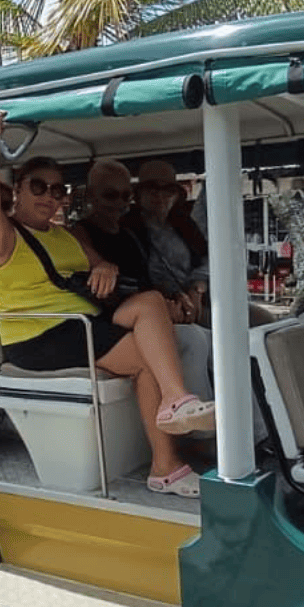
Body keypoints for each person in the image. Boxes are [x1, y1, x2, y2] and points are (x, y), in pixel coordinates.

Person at [0, 111, 215, 498]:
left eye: (58, 191)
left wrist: (104, 267)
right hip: (38, 335)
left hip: (81, 323)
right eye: (39, 187)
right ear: (18, 189)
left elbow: (99, 264)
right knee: (146, 358)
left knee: (151, 302)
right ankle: (166, 462)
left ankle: (174, 405)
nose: (49, 197)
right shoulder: (3, 236)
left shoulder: (64, 235)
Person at [73, 159, 217, 420]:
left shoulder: (129, 235)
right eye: (110, 195)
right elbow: (103, 288)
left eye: (125, 196)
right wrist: (162, 307)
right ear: (92, 196)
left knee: (220, 340)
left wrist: (177, 299)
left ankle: (250, 427)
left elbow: (148, 281)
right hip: (112, 319)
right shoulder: (80, 234)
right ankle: (198, 431)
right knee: (193, 339)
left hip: (147, 310)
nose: (119, 203)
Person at [127, 159, 275, 327]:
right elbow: (141, 277)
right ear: (139, 195)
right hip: (164, 306)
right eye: (152, 189)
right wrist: (176, 296)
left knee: (264, 319)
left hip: (201, 296)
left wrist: (197, 287)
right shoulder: (130, 229)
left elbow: (209, 258)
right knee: (233, 327)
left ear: (176, 196)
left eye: (168, 190)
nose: (160, 196)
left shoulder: (183, 224)